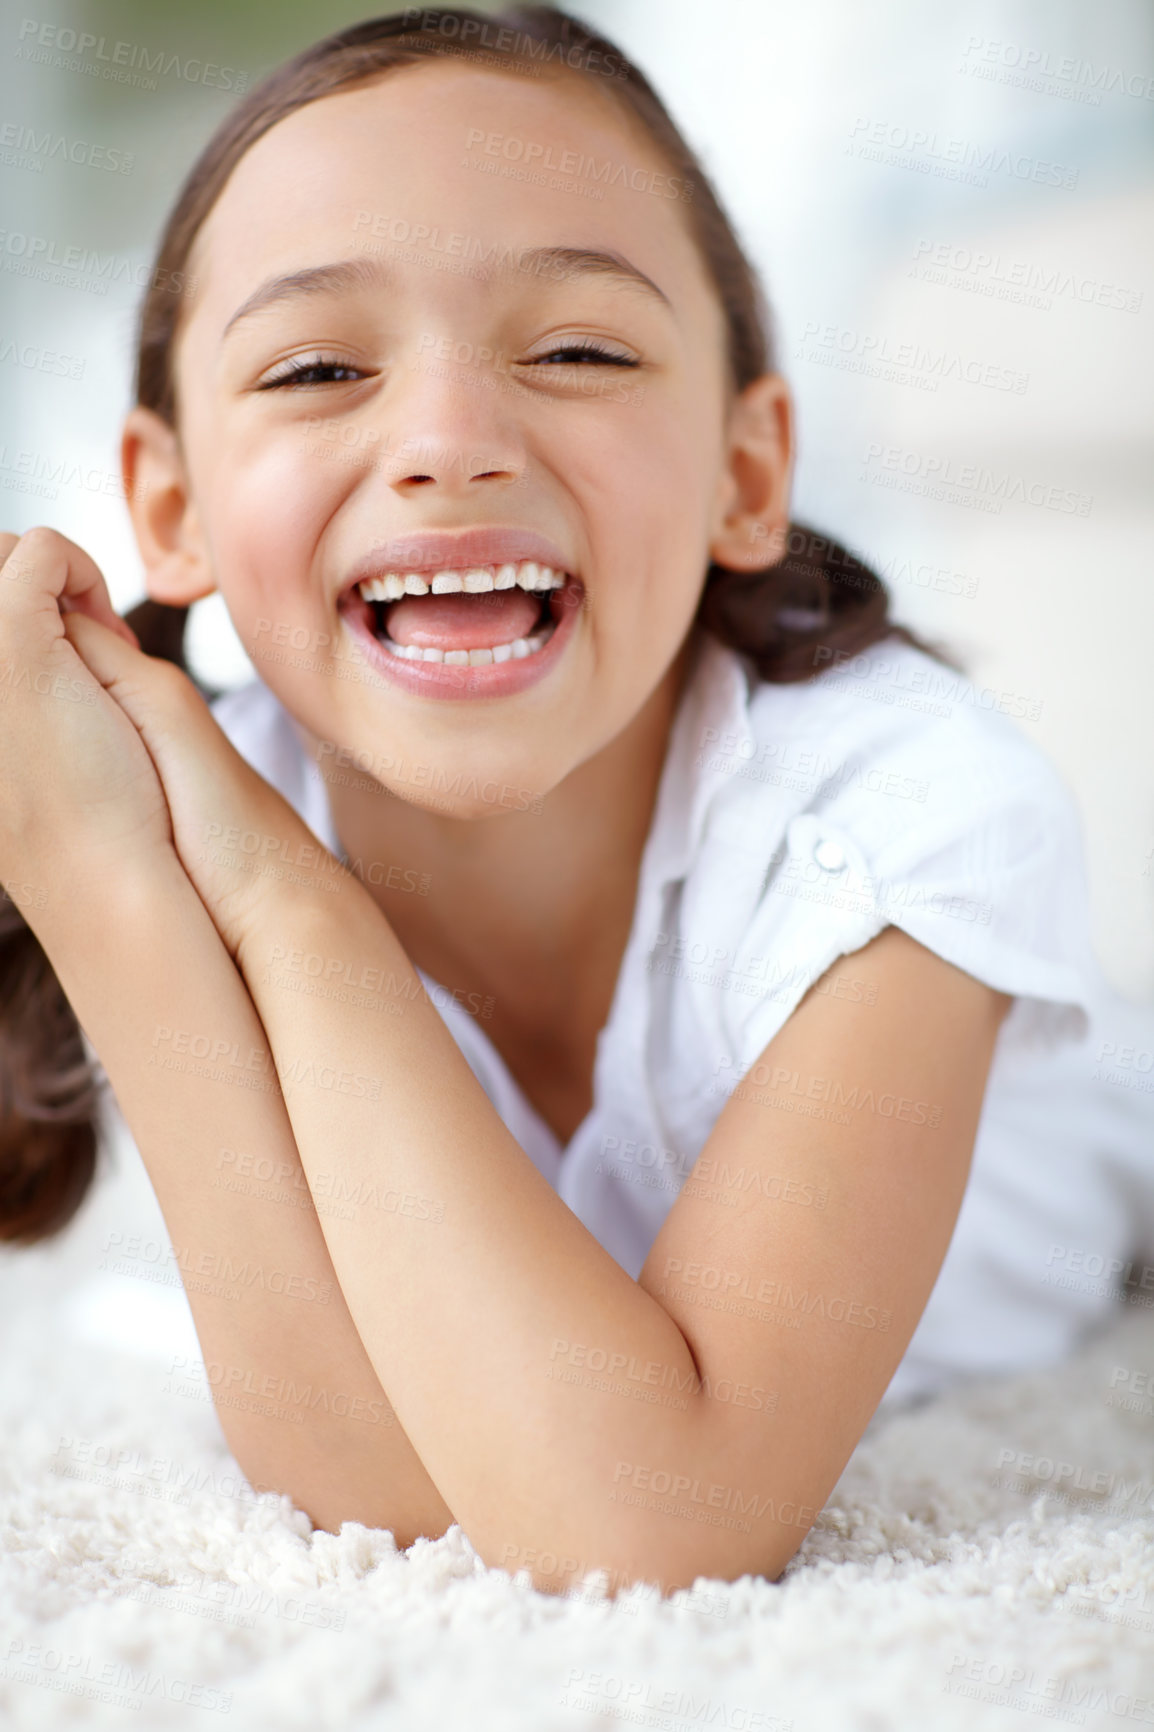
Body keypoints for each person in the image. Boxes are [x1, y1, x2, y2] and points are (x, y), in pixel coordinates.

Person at [0, 6, 1150, 1601]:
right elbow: (385, 1477)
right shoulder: (194, 793)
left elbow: (644, 1518)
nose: (450, 444)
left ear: (749, 476)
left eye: (578, 350)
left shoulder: (918, 811)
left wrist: (284, 908)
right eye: (321, 365)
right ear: (170, 509)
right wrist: (104, 897)